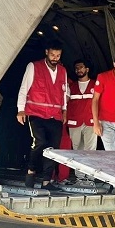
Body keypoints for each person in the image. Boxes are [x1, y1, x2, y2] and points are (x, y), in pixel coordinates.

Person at [16, 39, 68, 190]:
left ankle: (46, 181)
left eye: (58, 55)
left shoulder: (63, 71)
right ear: (46, 52)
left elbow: (64, 93)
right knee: (39, 143)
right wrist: (20, 109)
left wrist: (64, 110)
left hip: (55, 115)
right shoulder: (33, 66)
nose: (55, 58)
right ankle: (31, 171)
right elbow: (24, 88)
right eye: (52, 55)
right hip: (36, 113)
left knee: (53, 149)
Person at [67, 59, 97, 151]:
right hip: (74, 122)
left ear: (87, 69)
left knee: (90, 151)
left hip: (91, 122)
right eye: (76, 68)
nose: (78, 70)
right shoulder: (71, 86)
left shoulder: (96, 84)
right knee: (76, 151)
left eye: (81, 67)